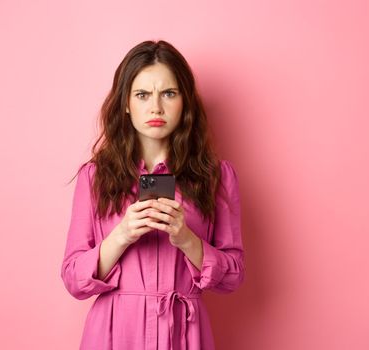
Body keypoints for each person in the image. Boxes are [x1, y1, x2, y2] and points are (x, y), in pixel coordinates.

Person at [60, 40, 244, 350]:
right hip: (114, 334)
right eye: (143, 94)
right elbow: (73, 279)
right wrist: (122, 235)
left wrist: (186, 239)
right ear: (127, 103)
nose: (156, 107)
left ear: (184, 101)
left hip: (185, 335)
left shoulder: (217, 177)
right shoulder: (95, 177)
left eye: (168, 93)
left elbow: (233, 276)